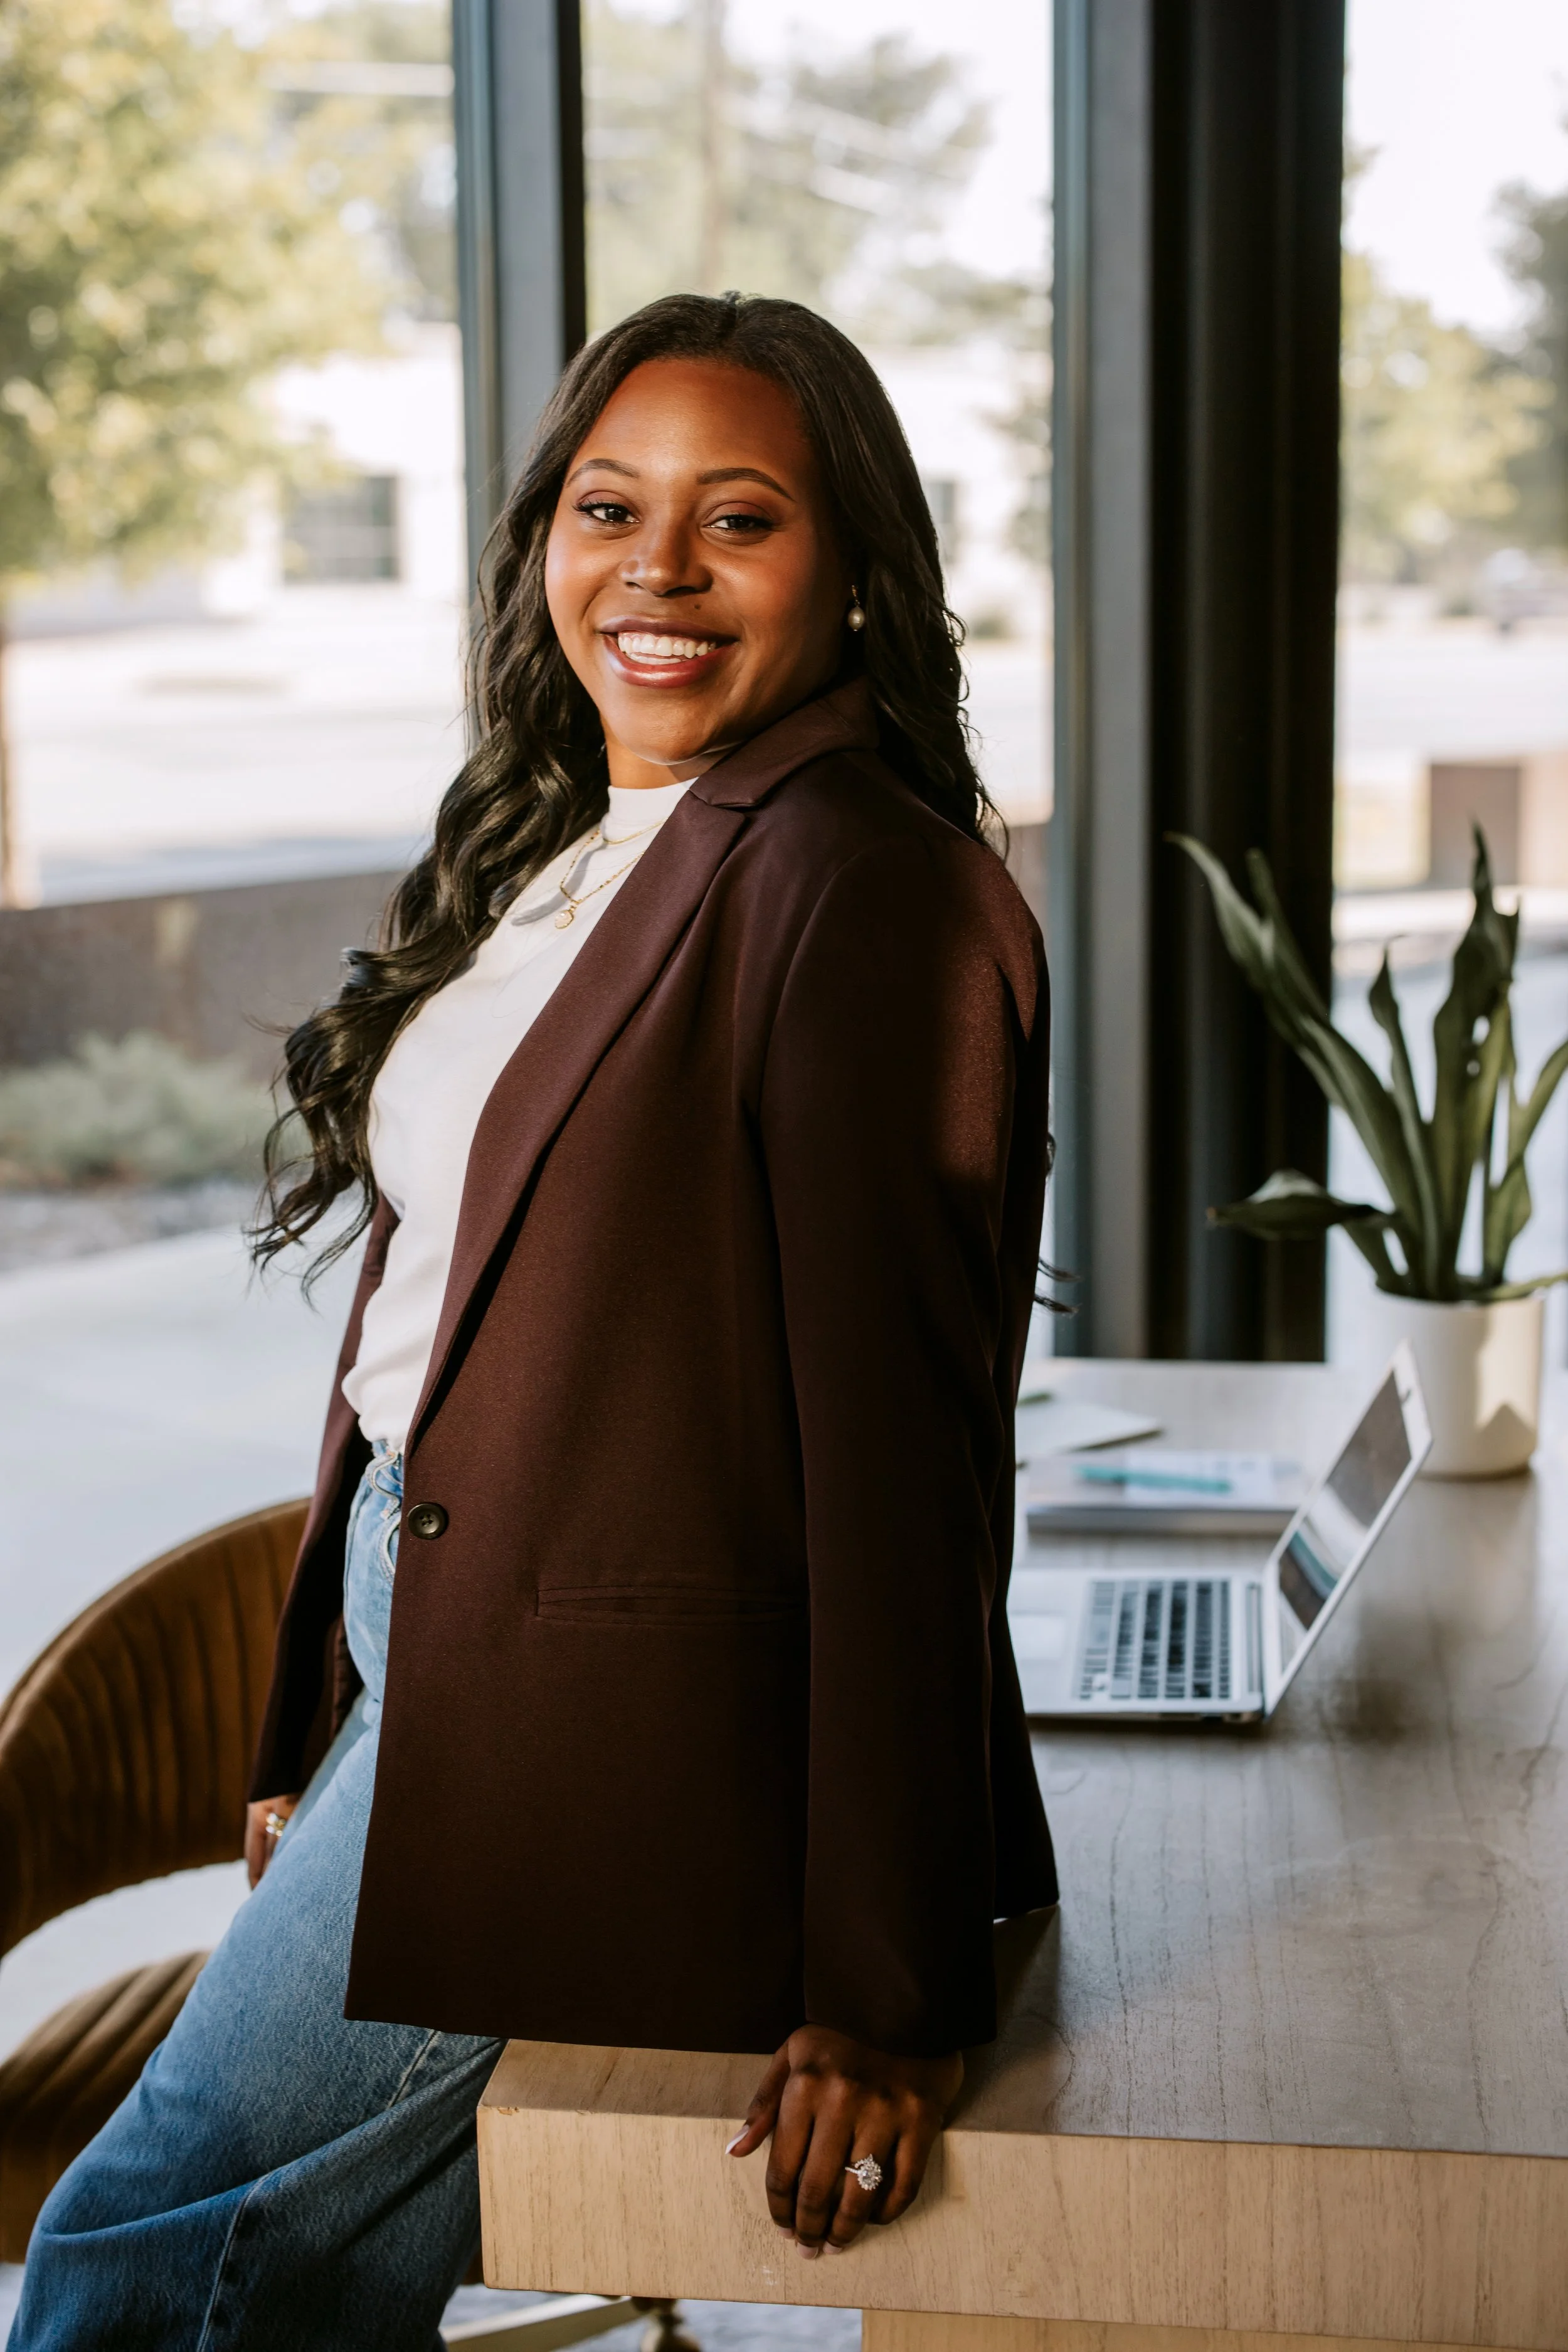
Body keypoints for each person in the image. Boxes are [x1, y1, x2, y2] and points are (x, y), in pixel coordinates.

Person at [10, 292, 1057, 2352]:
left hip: (612, 1743)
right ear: (539, 545)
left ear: (852, 573)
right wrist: (331, 1700)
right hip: (451, 1685)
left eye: (736, 518)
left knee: (144, 2248)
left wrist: (882, 1973)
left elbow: (897, 1459)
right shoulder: (573, 844)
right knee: (290, 2276)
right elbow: (442, 1314)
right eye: (607, 505)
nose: (653, 569)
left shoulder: (863, 886)